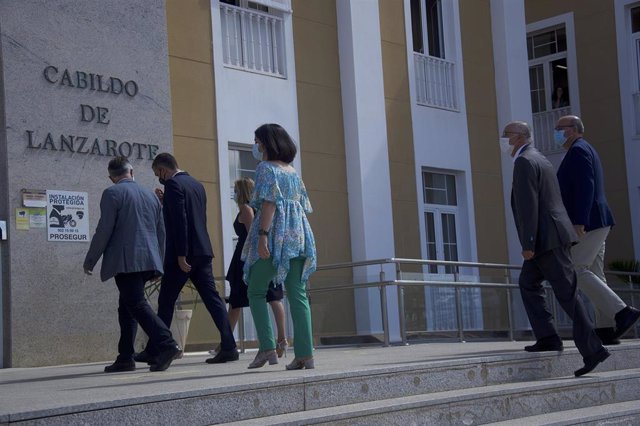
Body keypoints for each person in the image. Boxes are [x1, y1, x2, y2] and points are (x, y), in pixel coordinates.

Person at [500, 121, 609, 377]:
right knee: (528, 283)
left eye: (507, 137)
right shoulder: (540, 158)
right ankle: (548, 336)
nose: (504, 142)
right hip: (548, 237)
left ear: (518, 138)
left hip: (545, 240)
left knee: (567, 294)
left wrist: (528, 244)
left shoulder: (526, 161)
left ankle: (594, 350)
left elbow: (529, 207)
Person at [136, 152, 238, 364]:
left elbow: (181, 222)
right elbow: (193, 216)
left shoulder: (173, 185)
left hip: (183, 256)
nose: (159, 178)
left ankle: (158, 348)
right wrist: (167, 202)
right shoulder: (196, 184)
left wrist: (181, 255)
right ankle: (229, 346)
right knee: (213, 300)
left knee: (165, 301)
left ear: (163, 170)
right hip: (202, 251)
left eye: (158, 174)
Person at [83, 156, 181, 373]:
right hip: (148, 260)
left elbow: (104, 230)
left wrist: (91, 260)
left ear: (111, 177)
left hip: (126, 261)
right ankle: (125, 355)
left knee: (135, 303)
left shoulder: (112, 193)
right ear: (131, 171)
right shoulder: (150, 194)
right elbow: (161, 231)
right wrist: (159, 264)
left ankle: (167, 344)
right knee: (126, 306)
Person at [555, 115, 640, 344]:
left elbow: (586, 186)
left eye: (559, 129)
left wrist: (580, 222)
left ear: (572, 130)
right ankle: (606, 328)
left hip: (590, 222)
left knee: (574, 268)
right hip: (598, 221)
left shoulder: (579, 151)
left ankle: (622, 312)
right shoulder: (584, 149)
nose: (556, 133)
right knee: (595, 273)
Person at [243, 123, 317, 370]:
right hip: (297, 236)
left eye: (257, 141)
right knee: (297, 293)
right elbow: (302, 205)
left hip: (276, 235)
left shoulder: (265, 168)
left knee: (255, 289)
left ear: (266, 143)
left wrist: (263, 235)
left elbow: (269, 204)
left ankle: (266, 348)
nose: (256, 145)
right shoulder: (292, 171)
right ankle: (305, 355)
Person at [212, 177, 288, 357]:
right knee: (271, 296)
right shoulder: (260, 209)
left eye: (236, 190)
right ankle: (281, 339)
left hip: (246, 258)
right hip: (258, 256)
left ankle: (227, 343)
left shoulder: (246, 209)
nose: (234, 194)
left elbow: (250, 235)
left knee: (239, 301)